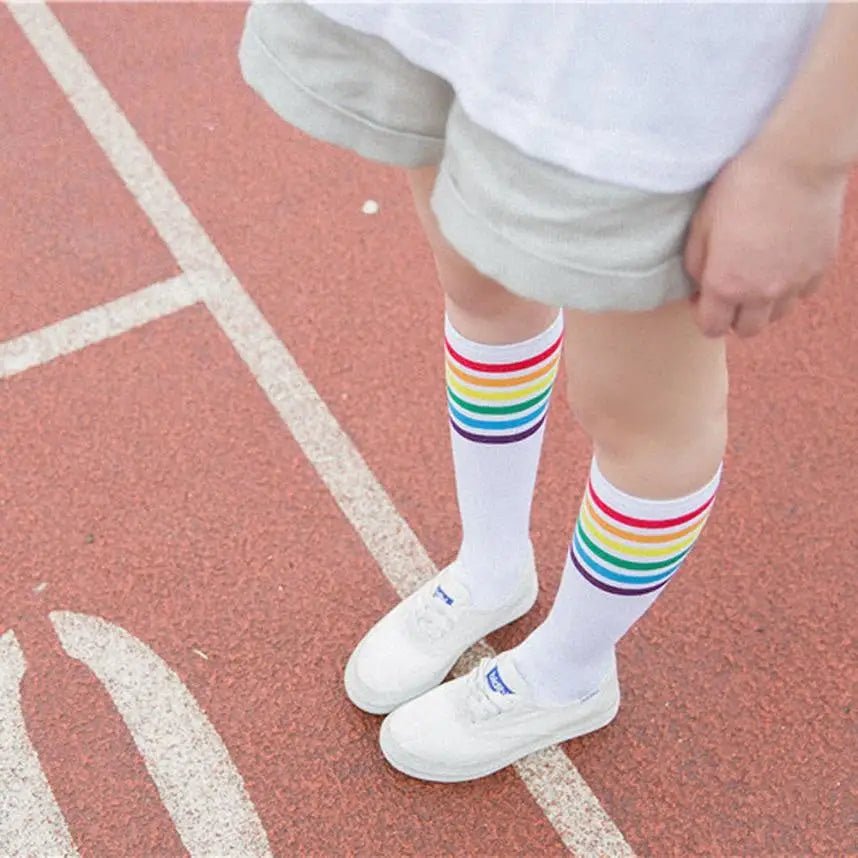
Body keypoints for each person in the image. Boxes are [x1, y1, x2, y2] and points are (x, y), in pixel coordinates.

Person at [238, 2, 856, 782]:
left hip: (654, 69)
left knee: (642, 412)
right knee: (481, 285)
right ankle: (492, 567)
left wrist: (802, 163)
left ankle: (571, 673)